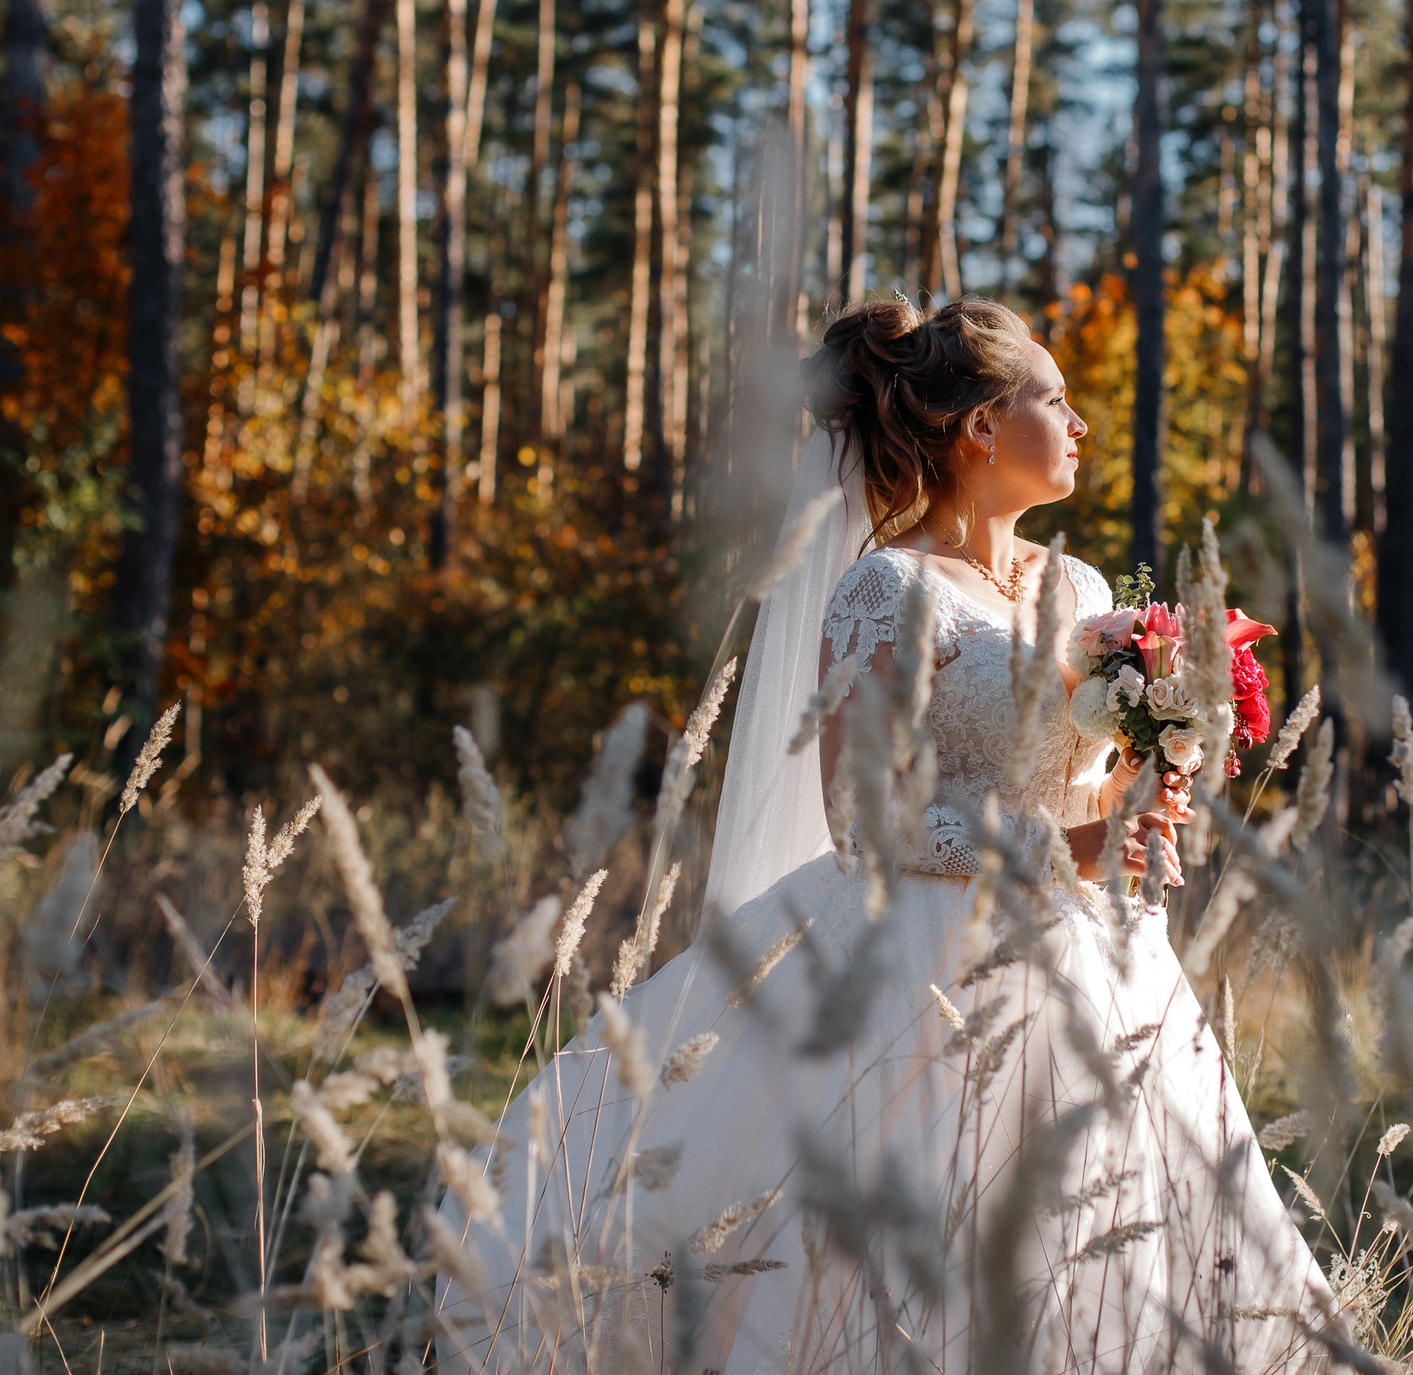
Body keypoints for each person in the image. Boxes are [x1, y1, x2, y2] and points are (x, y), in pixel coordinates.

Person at [434, 298, 1337, 1372]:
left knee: (1110, 1228)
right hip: (925, 964)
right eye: (1054, 399)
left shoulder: (1085, 590)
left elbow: (1081, 788)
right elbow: (867, 821)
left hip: (1092, 957)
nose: (1080, 423)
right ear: (983, 426)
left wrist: (1137, 804)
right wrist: (1077, 850)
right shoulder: (886, 588)